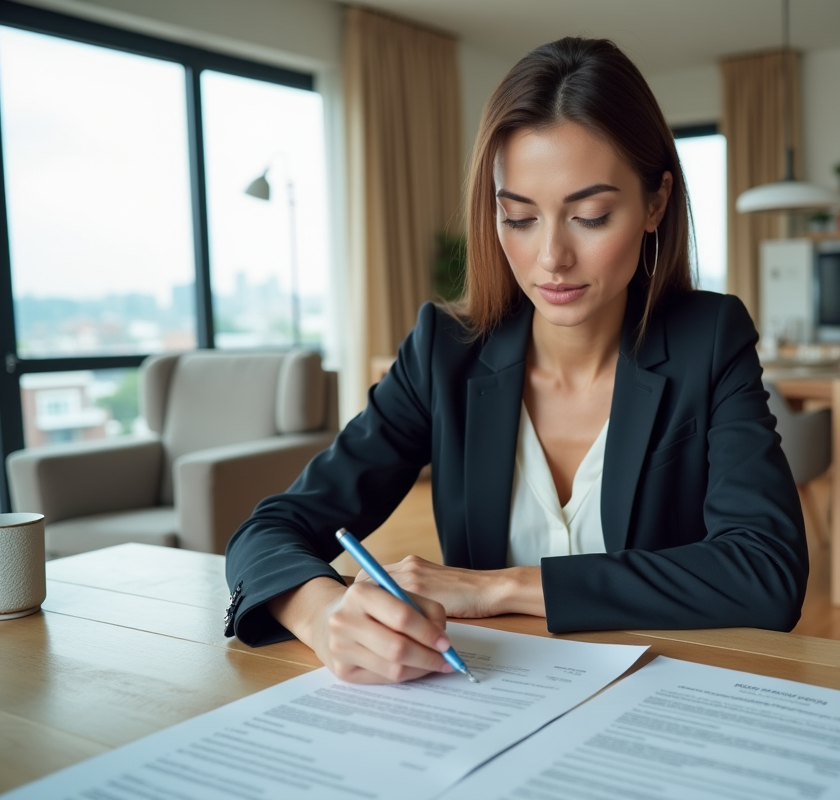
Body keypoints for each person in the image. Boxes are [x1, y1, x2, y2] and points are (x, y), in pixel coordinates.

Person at [224, 36, 808, 685]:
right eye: (519, 218)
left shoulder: (709, 339)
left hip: (662, 701)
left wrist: (499, 588)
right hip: (490, 705)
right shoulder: (443, 352)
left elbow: (766, 572)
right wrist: (325, 615)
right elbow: (271, 530)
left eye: (590, 215)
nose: (551, 256)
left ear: (655, 204)